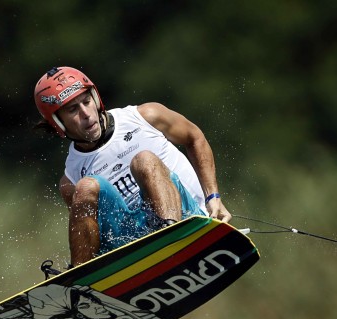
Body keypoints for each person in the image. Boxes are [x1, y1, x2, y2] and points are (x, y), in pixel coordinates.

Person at [34, 66, 232, 267]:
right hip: (134, 242)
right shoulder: (71, 179)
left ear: (96, 99)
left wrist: (213, 197)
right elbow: (96, 234)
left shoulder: (146, 115)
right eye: (73, 110)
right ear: (58, 123)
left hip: (187, 219)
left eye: (86, 102)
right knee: (85, 187)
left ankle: (172, 237)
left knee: (143, 160)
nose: (86, 114)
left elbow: (195, 138)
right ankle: (80, 280)